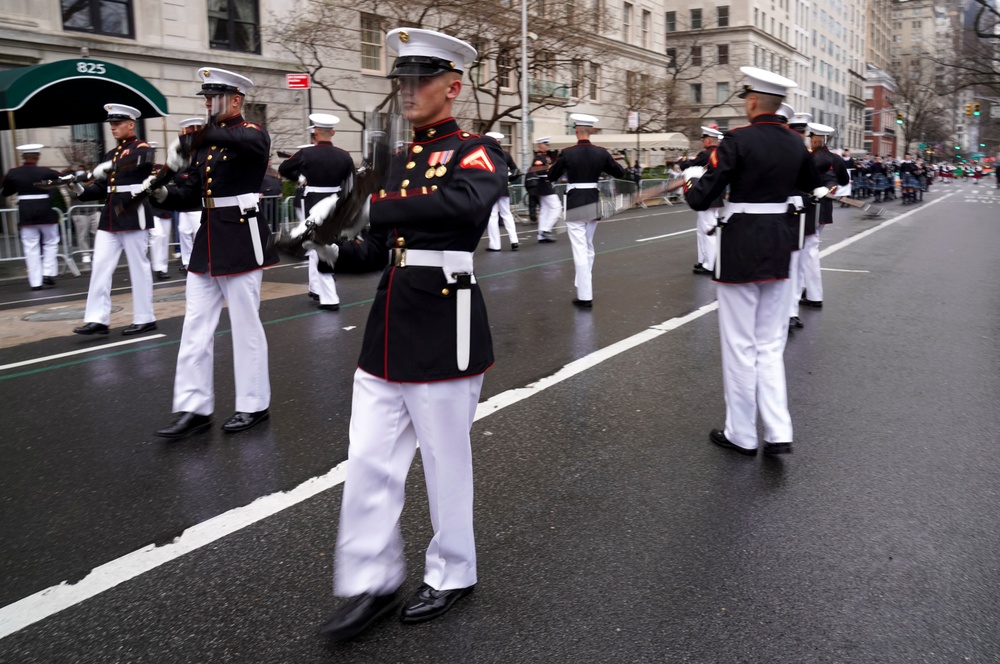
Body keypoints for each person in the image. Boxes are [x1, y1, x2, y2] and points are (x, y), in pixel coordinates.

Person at [312, 27, 507, 641]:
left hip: (445, 319)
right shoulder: (392, 162)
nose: (409, 89)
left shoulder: (476, 151)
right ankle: (372, 580)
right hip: (389, 325)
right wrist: (332, 247)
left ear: (453, 87)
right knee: (368, 459)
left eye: (422, 79)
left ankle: (453, 572)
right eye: (404, 79)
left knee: (445, 461)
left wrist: (368, 207)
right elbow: (378, 248)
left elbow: (463, 206)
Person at [683, 66, 822, 456]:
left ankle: (742, 433)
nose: (745, 104)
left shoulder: (737, 140)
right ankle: (778, 430)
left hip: (741, 245)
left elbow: (701, 198)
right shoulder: (796, 143)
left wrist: (693, 179)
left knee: (740, 344)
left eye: (746, 98)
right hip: (780, 243)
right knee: (770, 344)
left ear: (754, 101)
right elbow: (811, 186)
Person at [148, 67, 278, 438]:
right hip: (208, 239)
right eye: (206, 97)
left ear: (236, 100)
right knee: (194, 327)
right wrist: (161, 192)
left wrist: (195, 138)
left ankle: (254, 404)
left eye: (214, 97)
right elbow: (191, 192)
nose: (208, 103)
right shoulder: (206, 143)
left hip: (240, 236)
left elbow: (248, 144)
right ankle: (194, 408)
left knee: (245, 326)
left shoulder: (251, 133)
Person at [71, 104, 157, 336]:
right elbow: (102, 188)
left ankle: (145, 317)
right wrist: (77, 187)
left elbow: (143, 159)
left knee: (138, 267)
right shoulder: (111, 154)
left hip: (133, 212)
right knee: (100, 266)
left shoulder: (141, 148)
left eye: (117, 123)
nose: (112, 127)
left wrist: (108, 167)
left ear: (131, 124)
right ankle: (97, 319)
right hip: (111, 215)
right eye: (111, 124)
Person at [546, 113, 626, 308]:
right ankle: (583, 283)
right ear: (592, 131)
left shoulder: (567, 153)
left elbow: (551, 176)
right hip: (592, 199)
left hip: (575, 201)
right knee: (588, 247)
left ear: (576, 131)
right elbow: (620, 172)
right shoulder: (601, 152)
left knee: (580, 249)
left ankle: (584, 295)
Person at [279, 113, 355, 311]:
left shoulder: (306, 154)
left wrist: (301, 177)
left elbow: (284, 168)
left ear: (315, 132)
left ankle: (329, 297)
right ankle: (316, 288)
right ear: (333, 133)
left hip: (312, 202)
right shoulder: (344, 155)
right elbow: (352, 183)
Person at [2, 144, 66, 291]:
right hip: (45, 210)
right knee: (51, 241)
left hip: (26, 212)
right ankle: (48, 273)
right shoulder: (46, 171)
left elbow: (6, 192)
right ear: (37, 157)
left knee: (31, 247)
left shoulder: (13, 173)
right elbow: (63, 178)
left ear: (23, 157)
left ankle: (36, 282)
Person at [799, 123, 849, 311]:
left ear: (817, 140)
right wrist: (831, 185)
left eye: (814, 139)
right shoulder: (835, 159)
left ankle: (813, 294)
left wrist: (828, 186)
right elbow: (843, 180)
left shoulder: (810, 158)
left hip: (812, 207)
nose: (813, 141)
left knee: (808, 249)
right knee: (808, 248)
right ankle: (807, 289)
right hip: (823, 207)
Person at [678, 126, 725, 275]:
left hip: (706, 195)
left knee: (707, 230)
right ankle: (704, 259)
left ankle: (710, 264)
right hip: (714, 196)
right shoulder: (720, 153)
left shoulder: (707, 154)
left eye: (704, 139)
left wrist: (682, 161)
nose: (702, 142)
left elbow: (689, 166)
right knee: (703, 229)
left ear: (709, 140)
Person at [174, 118, 205, 273]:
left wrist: (185, 177)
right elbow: (176, 176)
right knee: (183, 232)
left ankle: (204, 260)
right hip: (185, 202)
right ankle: (187, 261)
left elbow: (200, 176)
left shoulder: (203, 151)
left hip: (198, 202)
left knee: (200, 233)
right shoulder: (182, 155)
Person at [483, 131, 521, 251]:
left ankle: (495, 245)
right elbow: (515, 170)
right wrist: (508, 177)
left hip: (490, 189)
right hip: (503, 188)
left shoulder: (485, 154)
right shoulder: (506, 155)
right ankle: (514, 240)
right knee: (507, 214)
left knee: (493, 215)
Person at [146, 143, 173, 281]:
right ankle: (157, 268)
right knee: (158, 235)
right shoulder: (141, 171)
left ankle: (163, 268)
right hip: (150, 208)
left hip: (163, 207)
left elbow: (170, 183)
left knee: (164, 239)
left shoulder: (161, 168)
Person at [530, 138, 560, 242]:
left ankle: (541, 235)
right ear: (540, 145)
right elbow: (537, 170)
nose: (548, 146)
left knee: (545, 210)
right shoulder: (539, 157)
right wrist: (550, 170)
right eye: (545, 144)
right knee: (557, 207)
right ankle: (546, 230)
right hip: (544, 185)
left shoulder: (546, 156)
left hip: (545, 185)